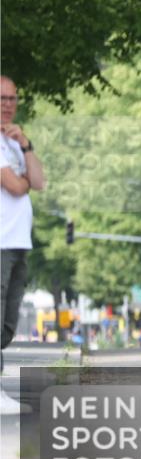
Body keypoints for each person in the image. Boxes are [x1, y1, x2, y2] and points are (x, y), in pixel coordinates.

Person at [1, 75, 46, 375]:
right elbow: (16, 187)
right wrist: (25, 181)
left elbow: (38, 182)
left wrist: (27, 147)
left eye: (12, 98)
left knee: (7, 324)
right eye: (1, 99)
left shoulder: (15, 142)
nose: (7, 105)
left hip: (18, 243)